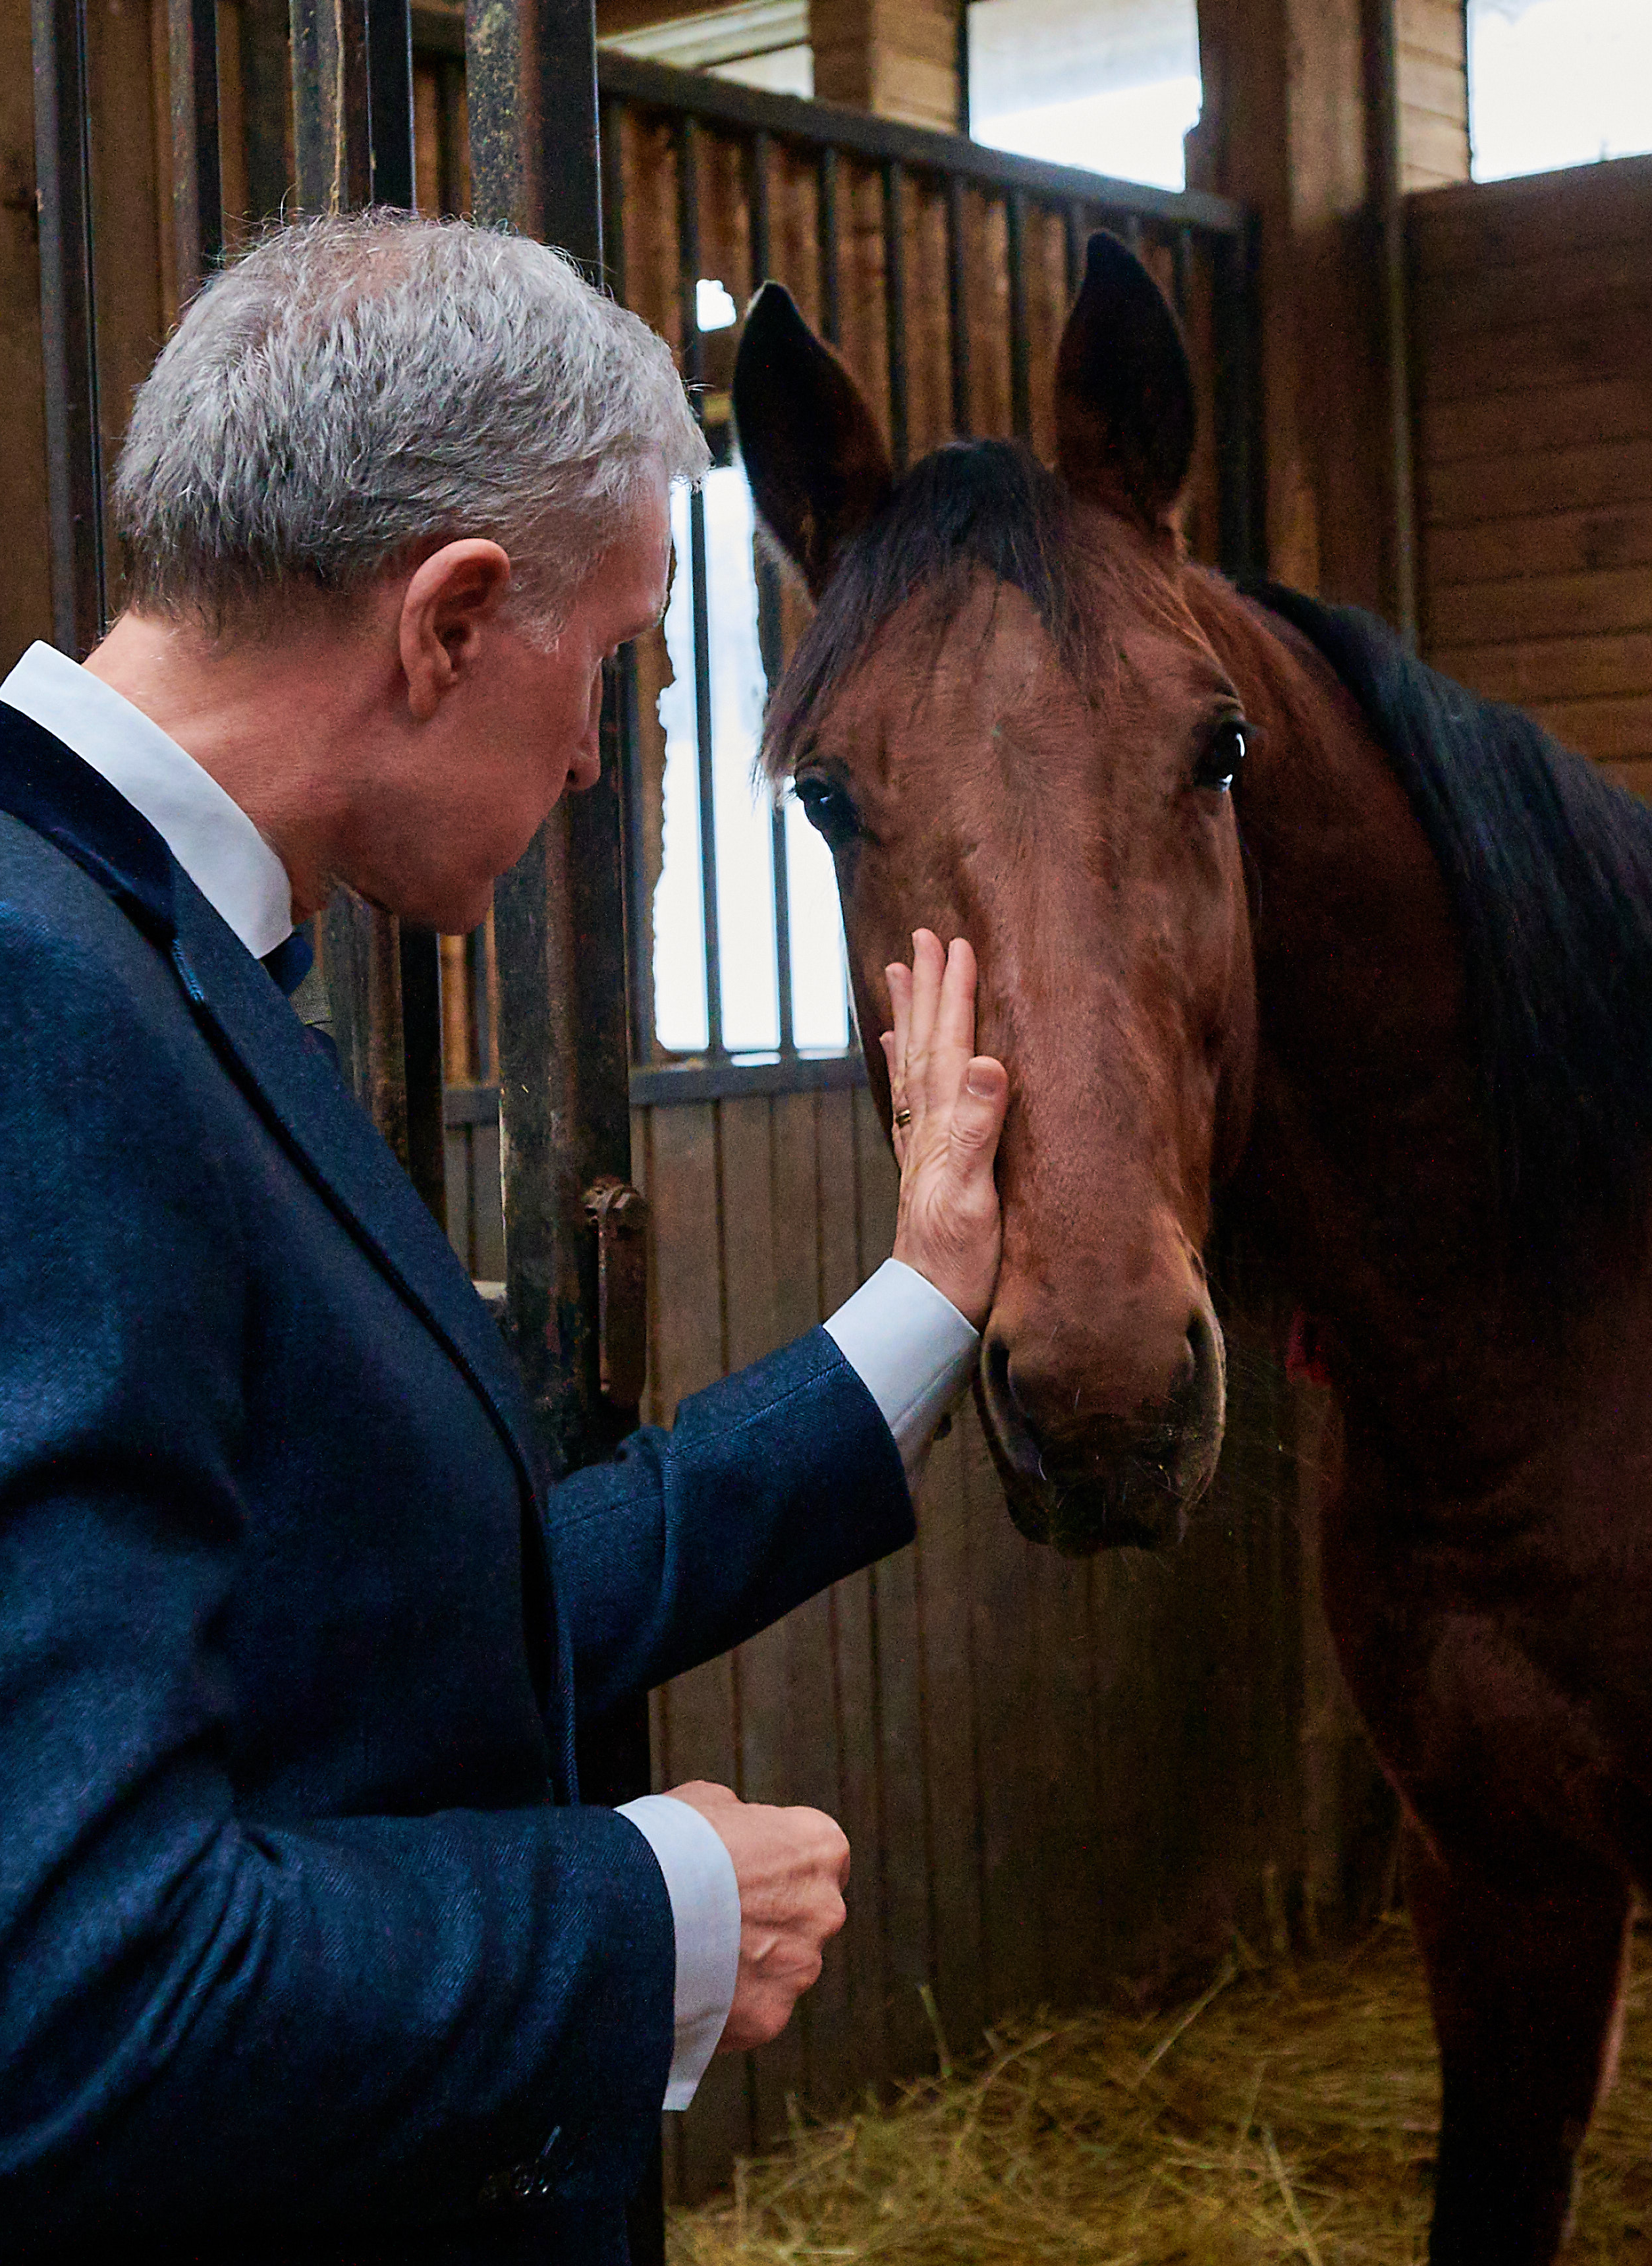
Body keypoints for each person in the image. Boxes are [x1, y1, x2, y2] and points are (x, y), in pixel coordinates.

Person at [0, 213, 1008, 2263]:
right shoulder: (39, 1001)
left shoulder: (137, 950)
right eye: (609, 665)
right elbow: (70, 1992)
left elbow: (400, 1613)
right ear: (451, 620)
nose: (588, 751)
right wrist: (648, 1915)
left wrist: (916, 1310)